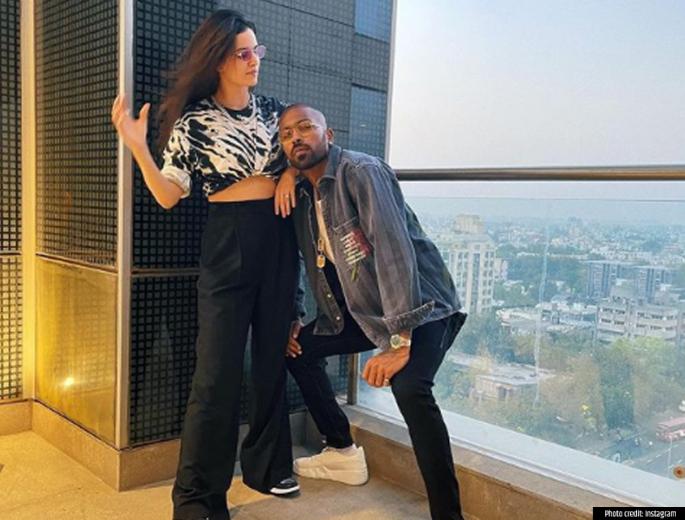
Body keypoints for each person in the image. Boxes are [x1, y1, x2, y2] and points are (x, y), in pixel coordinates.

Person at [111, 10, 302, 520]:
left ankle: (268, 467)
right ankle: (197, 496)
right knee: (215, 375)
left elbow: (303, 159)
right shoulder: (194, 121)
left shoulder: (275, 112)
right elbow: (168, 195)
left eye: (257, 50)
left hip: (279, 237)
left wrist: (289, 176)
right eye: (243, 53)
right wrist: (137, 148)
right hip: (228, 240)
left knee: (271, 360)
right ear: (218, 60)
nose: (254, 60)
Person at [275, 104, 468, 520]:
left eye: (305, 127)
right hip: (366, 312)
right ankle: (342, 450)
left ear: (329, 135)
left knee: (410, 389)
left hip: (423, 306)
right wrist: (295, 316)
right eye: (287, 134)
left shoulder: (361, 172)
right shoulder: (303, 196)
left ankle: (447, 515)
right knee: (297, 350)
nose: (296, 138)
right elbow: (299, 262)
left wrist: (400, 341)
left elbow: (393, 251)